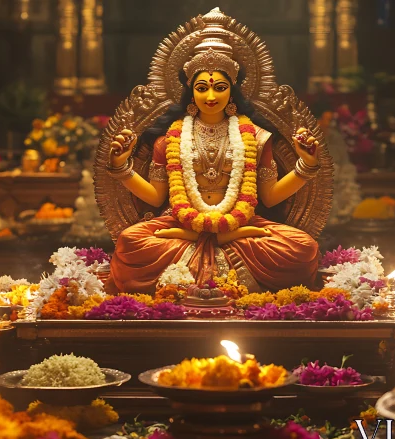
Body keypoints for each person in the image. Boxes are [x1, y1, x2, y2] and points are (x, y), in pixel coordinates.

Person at [105, 23, 321, 294]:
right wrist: (121, 166)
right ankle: (214, 239)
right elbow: (156, 197)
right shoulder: (170, 138)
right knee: (130, 242)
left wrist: (306, 165)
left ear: (232, 90)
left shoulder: (254, 136)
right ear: (190, 91)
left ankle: (206, 242)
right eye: (202, 87)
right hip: (180, 222)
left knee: (303, 247)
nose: (210, 96)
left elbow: (270, 196)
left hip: (242, 222)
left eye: (219, 87)